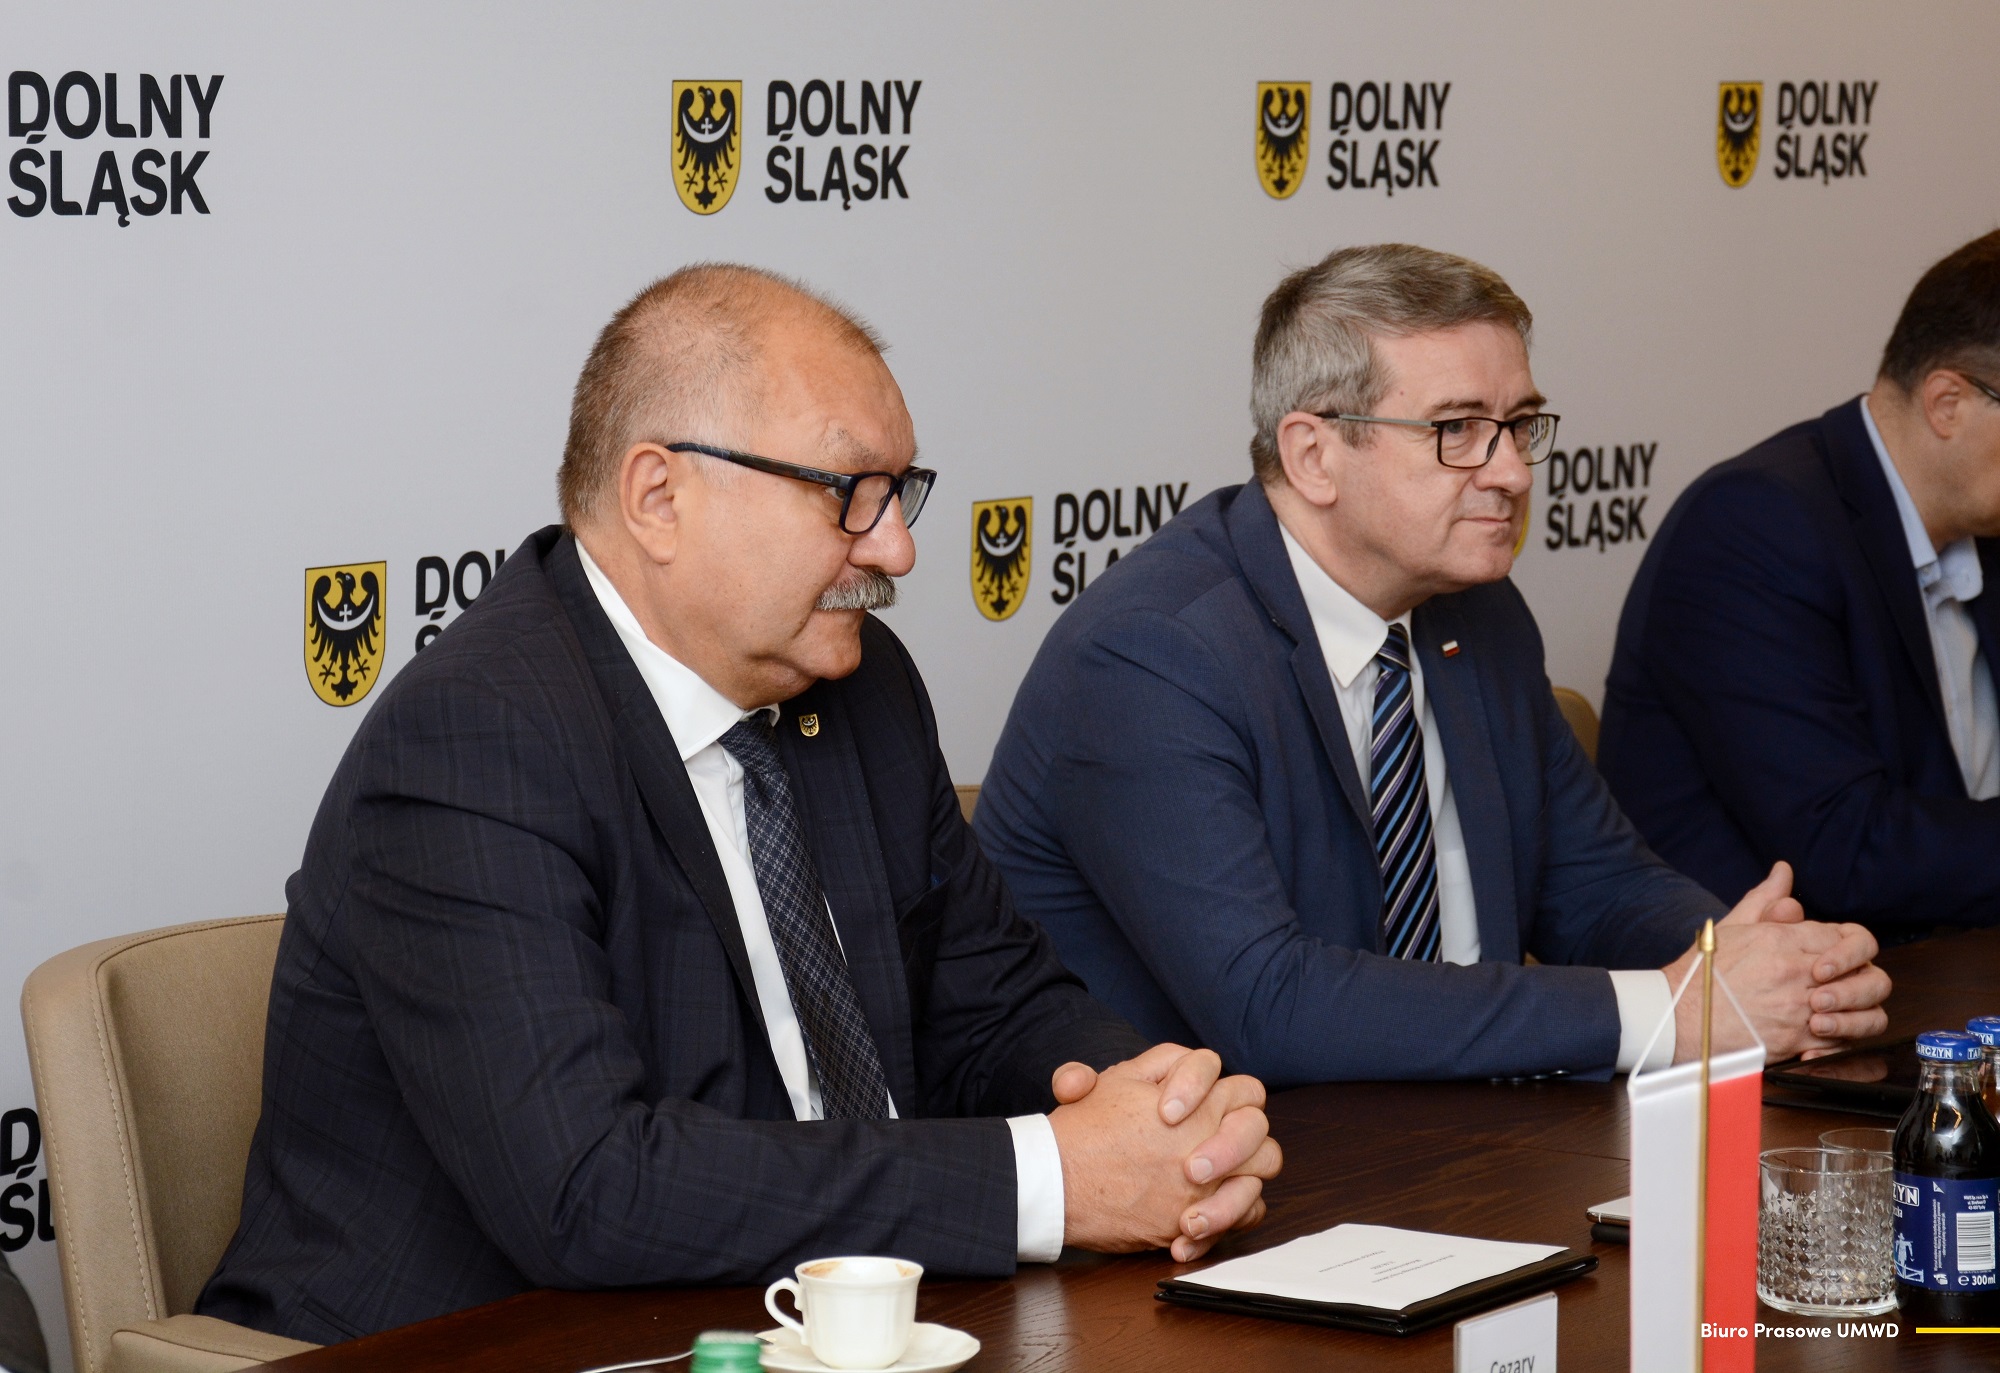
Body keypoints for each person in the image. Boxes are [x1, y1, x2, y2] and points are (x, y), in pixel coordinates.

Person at [198, 266, 1279, 1342]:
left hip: (814, 1323)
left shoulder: (861, 686)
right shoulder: (474, 738)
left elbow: (992, 1003)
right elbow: (588, 1185)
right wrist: (1049, 1178)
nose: (895, 547)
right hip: (471, 1344)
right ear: (658, 498)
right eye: (848, 492)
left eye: (899, 493)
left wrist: (1169, 1123)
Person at [974, 244, 1891, 1087]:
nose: (1512, 472)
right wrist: (1675, 1012)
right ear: (1314, 454)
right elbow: (1271, 1006)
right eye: (1457, 430)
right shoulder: (1151, 656)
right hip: (1230, 1168)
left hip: (1466, 1136)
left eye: (1519, 425)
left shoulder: (1477, 610)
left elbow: (1597, 885)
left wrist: (1757, 966)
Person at [1599, 230, 2000, 935]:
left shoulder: (1981, 517)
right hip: (1776, 982)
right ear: (1947, 403)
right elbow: (1848, 854)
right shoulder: (1753, 526)